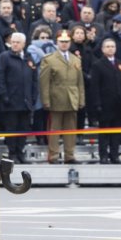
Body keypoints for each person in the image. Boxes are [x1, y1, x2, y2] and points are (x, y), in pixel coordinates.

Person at [39, 31, 85, 164]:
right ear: (57, 43)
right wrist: (46, 100)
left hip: (72, 98)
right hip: (56, 98)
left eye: (66, 42)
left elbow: (80, 82)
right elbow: (44, 82)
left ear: (70, 43)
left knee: (71, 130)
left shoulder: (76, 59)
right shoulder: (49, 59)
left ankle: (69, 155)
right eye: (61, 42)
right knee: (54, 130)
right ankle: (53, 156)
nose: (64, 44)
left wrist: (81, 99)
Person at [0, 32, 37, 163]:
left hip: (25, 102)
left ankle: (20, 151)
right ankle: (12, 153)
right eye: (13, 42)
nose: (15, 44)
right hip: (10, 102)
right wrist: (4, 95)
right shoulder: (4, 57)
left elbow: (34, 80)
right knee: (11, 128)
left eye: (18, 42)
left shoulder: (28, 59)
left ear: (24, 44)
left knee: (23, 128)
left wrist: (33, 97)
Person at [91, 37, 121, 164]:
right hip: (105, 104)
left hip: (119, 104)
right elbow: (95, 87)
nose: (110, 48)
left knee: (116, 133)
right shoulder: (98, 65)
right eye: (107, 46)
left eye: (112, 46)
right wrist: (97, 104)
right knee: (104, 132)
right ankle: (103, 155)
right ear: (102, 49)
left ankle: (114, 155)